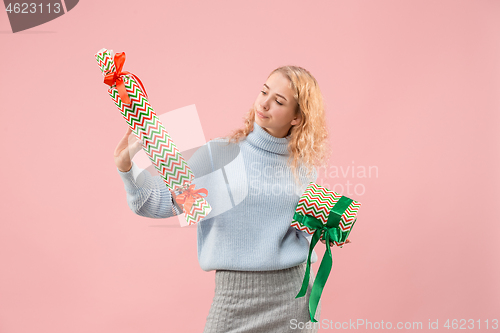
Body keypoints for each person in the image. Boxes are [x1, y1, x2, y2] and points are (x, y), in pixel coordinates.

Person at [113, 66, 350, 332]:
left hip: (293, 297)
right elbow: (161, 202)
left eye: (279, 101)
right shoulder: (220, 154)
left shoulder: (304, 167)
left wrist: (328, 228)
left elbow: (300, 231)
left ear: (296, 118)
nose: (264, 103)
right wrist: (127, 169)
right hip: (234, 298)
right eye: (264, 91)